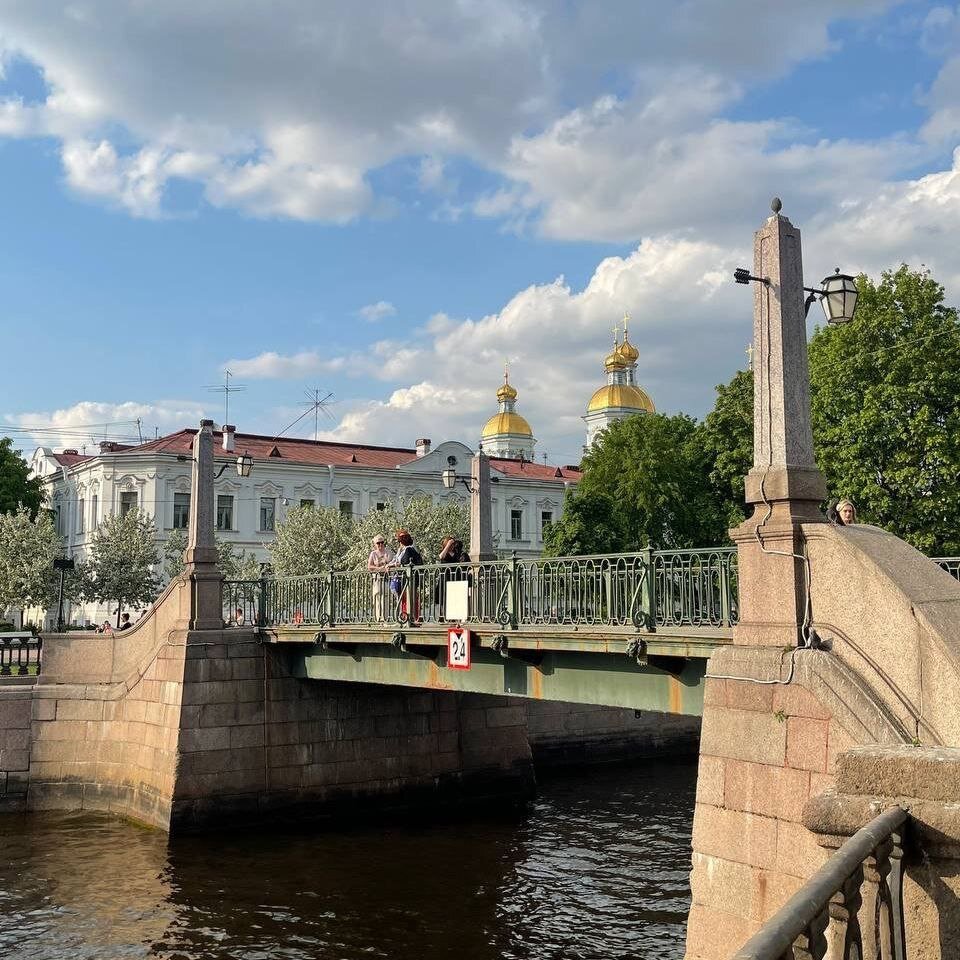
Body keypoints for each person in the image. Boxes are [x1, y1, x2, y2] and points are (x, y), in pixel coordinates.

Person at [391, 529, 423, 623]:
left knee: (409, 598)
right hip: (407, 579)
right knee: (407, 599)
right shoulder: (404, 549)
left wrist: (395, 565)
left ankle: (410, 619)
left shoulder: (409, 550)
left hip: (409, 579)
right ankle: (409, 618)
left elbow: (404, 562)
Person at [367, 535, 394, 621]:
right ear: (375, 544)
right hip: (377, 579)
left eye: (382, 542)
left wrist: (388, 566)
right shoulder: (373, 553)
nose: (380, 545)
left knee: (385, 598)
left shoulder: (388, 552)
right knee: (377, 598)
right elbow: (369, 566)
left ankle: (385, 618)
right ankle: (378, 619)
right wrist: (379, 568)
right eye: (378, 543)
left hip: (386, 578)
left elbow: (393, 563)